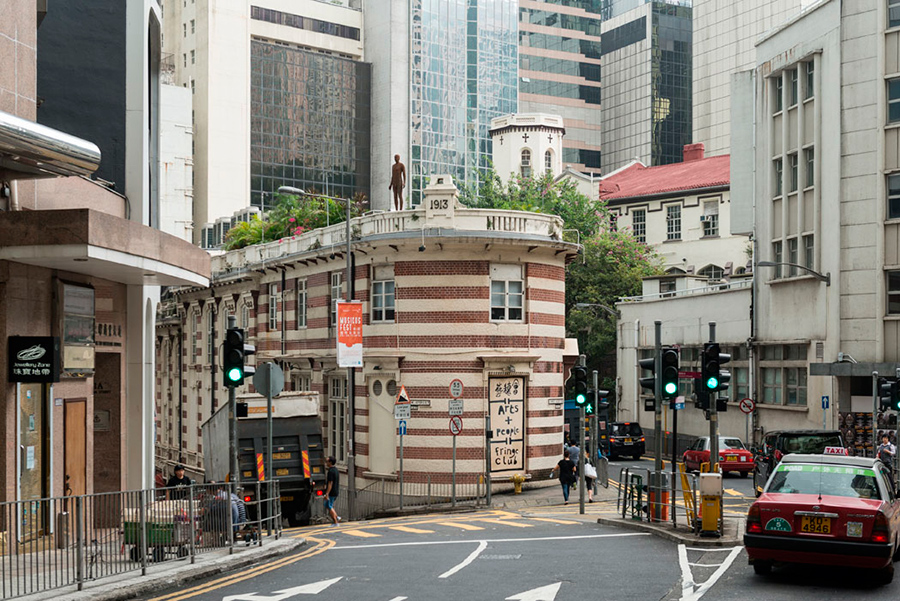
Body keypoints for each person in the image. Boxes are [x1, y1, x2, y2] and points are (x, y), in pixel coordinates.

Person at [324, 456, 341, 526]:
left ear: (330, 462)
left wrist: (327, 493)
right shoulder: (336, 470)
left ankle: (336, 520)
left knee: (329, 505)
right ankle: (337, 517)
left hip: (331, 492)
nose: (326, 462)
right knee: (327, 505)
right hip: (335, 491)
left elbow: (330, 483)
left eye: (327, 461)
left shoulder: (330, 471)